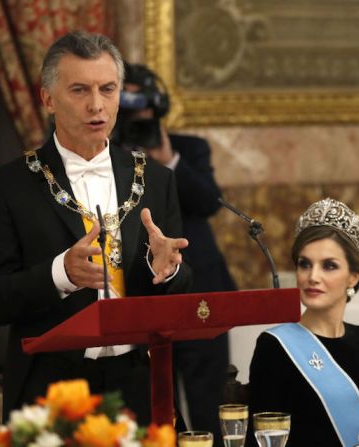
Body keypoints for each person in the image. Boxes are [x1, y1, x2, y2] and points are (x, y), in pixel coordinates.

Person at [0, 31, 192, 424]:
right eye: (79, 90)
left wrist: (169, 270)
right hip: (51, 387)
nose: (97, 105)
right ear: (48, 99)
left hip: (137, 382)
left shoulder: (156, 180)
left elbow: (180, 290)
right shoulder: (7, 186)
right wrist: (60, 273)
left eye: (108, 89)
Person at [112, 62, 236, 445]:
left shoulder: (190, 149)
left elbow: (209, 202)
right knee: (147, 407)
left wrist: (168, 160)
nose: (139, 120)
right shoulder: (108, 159)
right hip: (142, 293)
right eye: (130, 113)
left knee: (207, 404)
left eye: (145, 112)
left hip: (202, 289)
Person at [247, 198, 359, 447]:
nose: (312, 277)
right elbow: (261, 443)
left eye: (329, 266)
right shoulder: (275, 346)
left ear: (353, 277)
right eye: (305, 264)